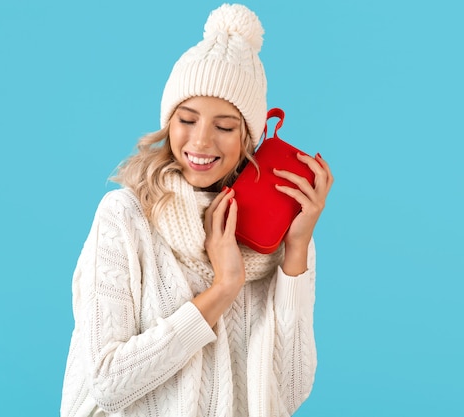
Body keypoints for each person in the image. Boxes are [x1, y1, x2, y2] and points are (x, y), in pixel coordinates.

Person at [60, 3, 333, 416]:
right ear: (168, 122)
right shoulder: (126, 216)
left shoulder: (279, 240)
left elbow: (289, 391)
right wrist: (223, 288)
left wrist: (296, 250)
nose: (202, 141)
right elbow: (107, 382)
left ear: (249, 137)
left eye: (224, 127)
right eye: (187, 119)